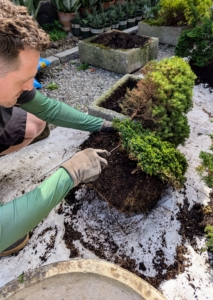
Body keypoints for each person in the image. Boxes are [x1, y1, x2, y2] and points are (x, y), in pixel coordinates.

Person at [0, 0, 113, 256]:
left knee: (35, 122)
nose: (31, 87)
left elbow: (48, 109)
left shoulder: (10, 87)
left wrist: (102, 124)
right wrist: (71, 172)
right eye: (24, 79)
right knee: (8, 235)